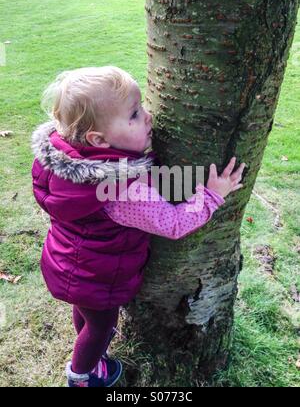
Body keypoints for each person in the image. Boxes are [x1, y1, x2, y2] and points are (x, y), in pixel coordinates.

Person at [31, 66, 246, 387]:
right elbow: (173, 223)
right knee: (101, 326)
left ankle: (88, 348)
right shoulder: (120, 190)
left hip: (69, 265)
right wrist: (213, 195)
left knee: (89, 315)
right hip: (95, 276)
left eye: (142, 106)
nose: (148, 117)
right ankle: (81, 376)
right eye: (134, 114)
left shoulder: (69, 162)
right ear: (98, 138)